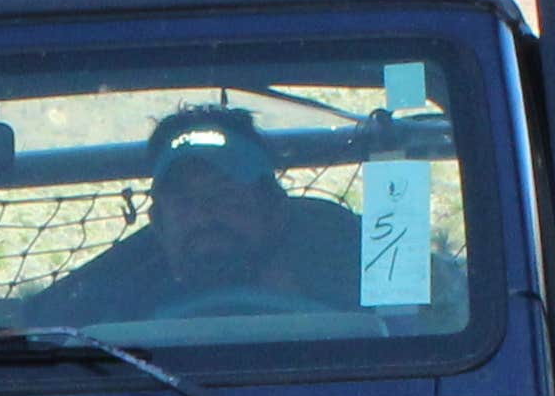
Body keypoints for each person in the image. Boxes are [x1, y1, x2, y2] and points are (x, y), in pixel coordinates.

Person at [25, 113, 358, 329]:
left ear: (275, 211)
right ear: (157, 223)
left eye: (226, 197)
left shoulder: (354, 300)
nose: (202, 215)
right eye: (183, 202)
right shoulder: (112, 318)